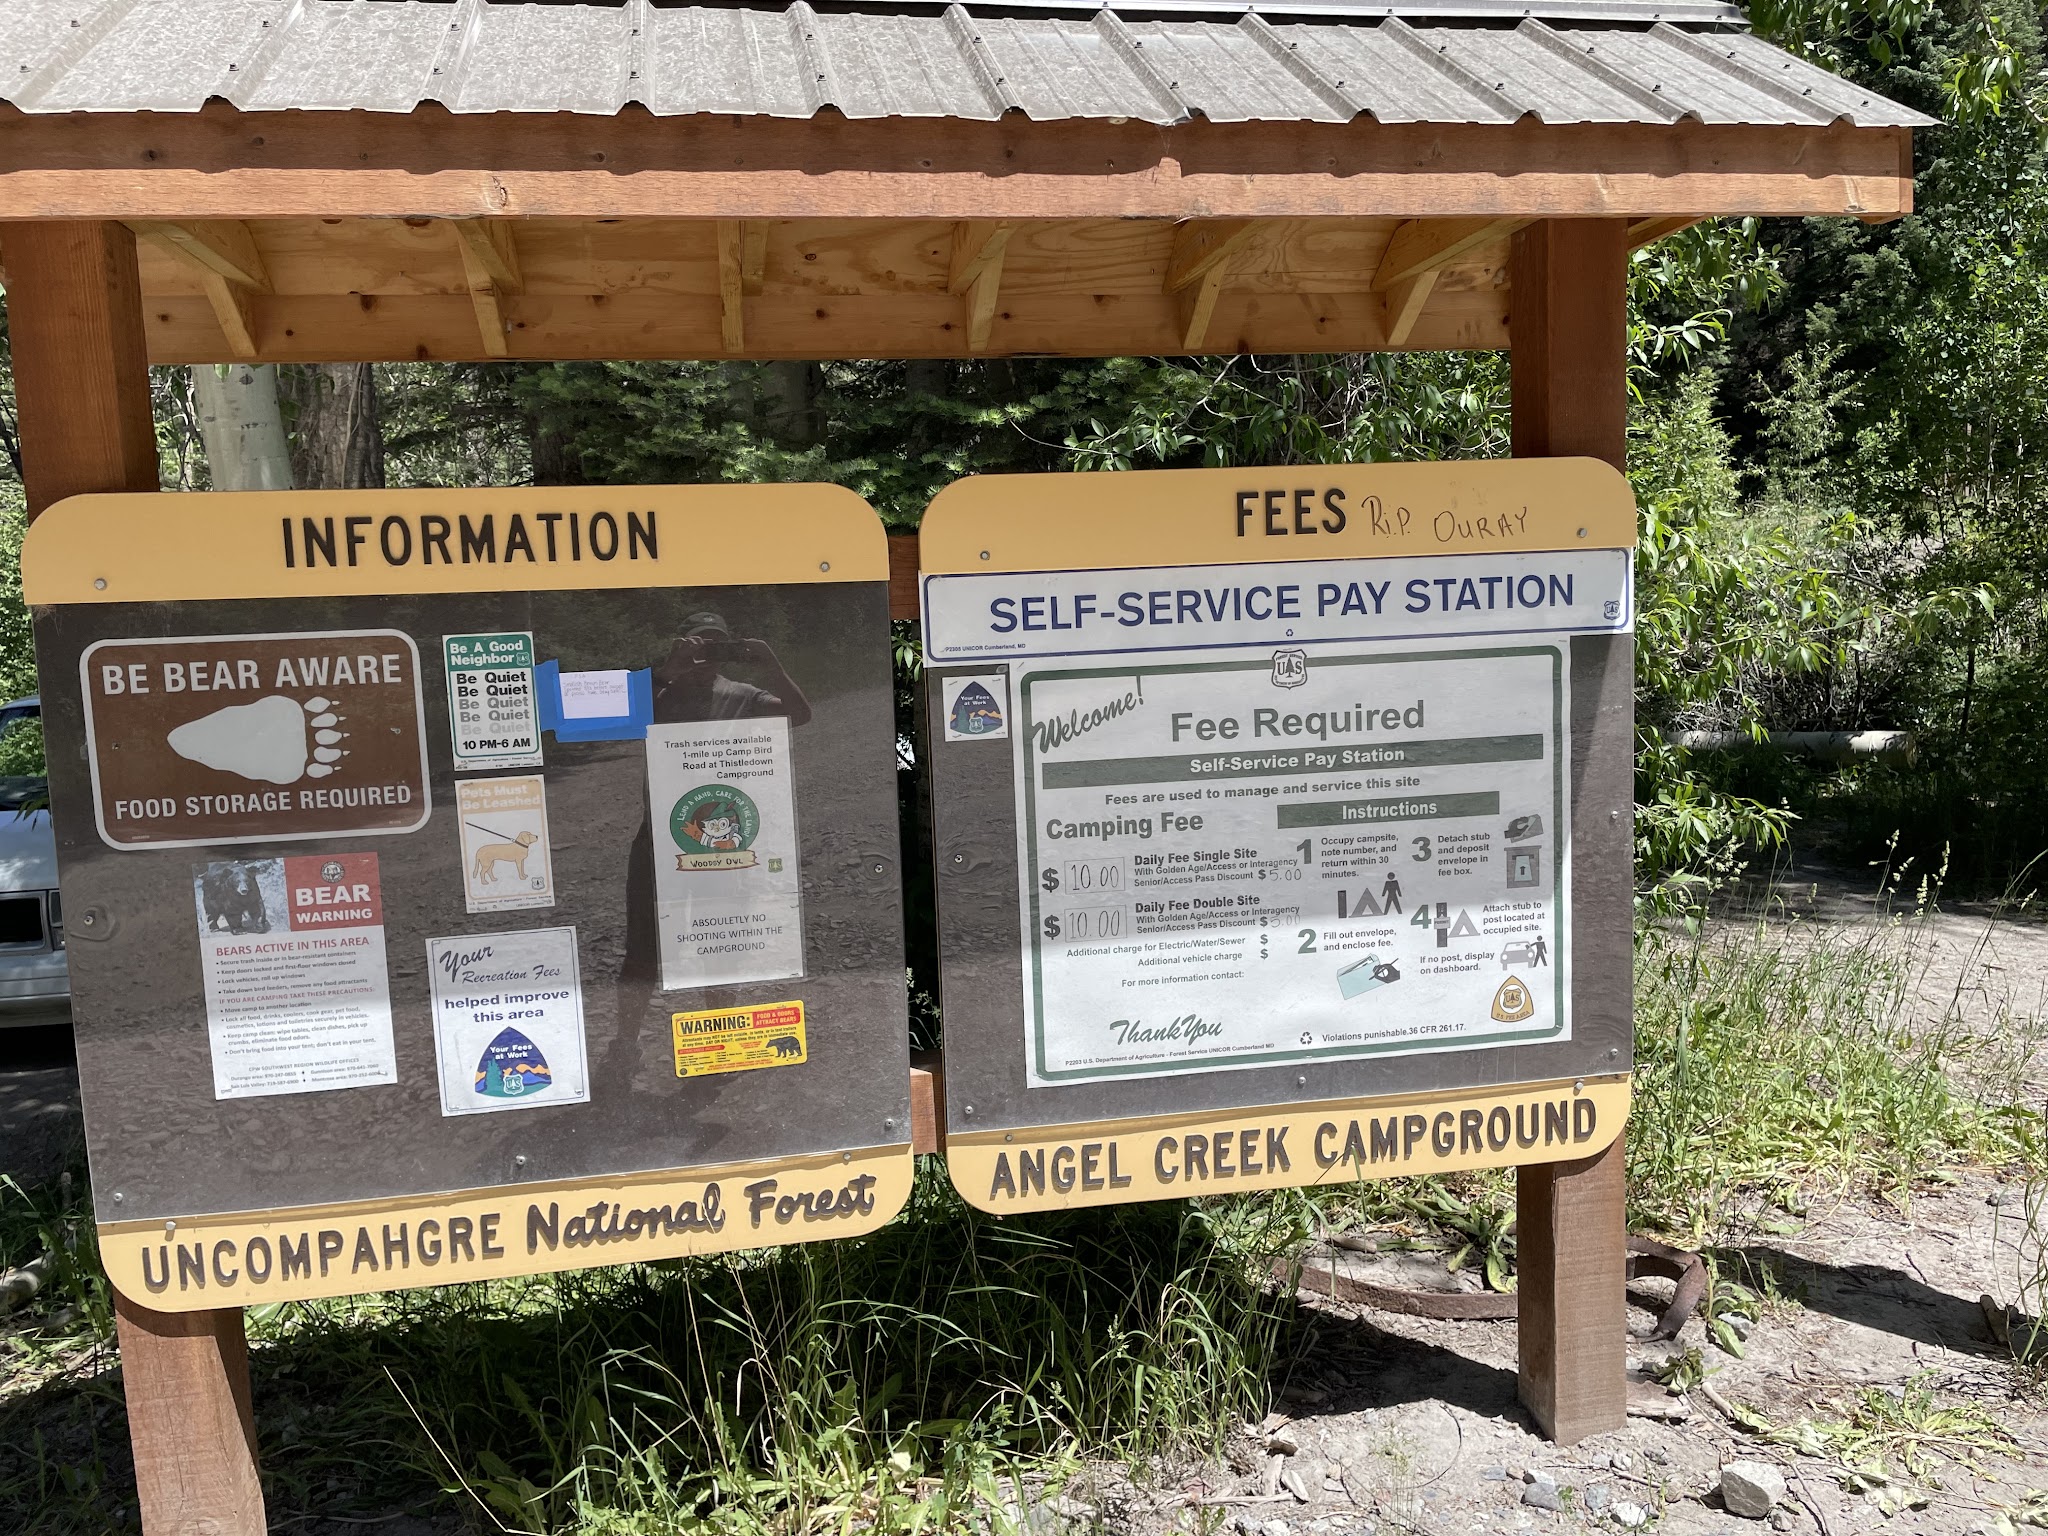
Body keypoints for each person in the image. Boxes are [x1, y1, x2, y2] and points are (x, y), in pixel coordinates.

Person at [651, 612, 811, 726]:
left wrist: (773, 667)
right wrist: (667, 672)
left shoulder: (742, 695)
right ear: (680, 647)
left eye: (717, 647)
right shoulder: (658, 693)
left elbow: (799, 716)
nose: (708, 654)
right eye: (702, 646)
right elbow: (634, 722)